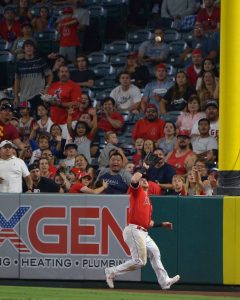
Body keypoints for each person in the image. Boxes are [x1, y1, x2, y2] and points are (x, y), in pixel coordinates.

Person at [104, 164, 180, 289]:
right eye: (142, 179)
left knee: (155, 252)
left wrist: (161, 224)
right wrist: (144, 167)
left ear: (150, 185)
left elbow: (147, 223)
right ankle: (111, 271)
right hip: (134, 230)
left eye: (146, 179)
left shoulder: (148, 201)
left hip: (143, 232)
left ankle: (165, 281)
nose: (144, 179)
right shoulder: (137, 192)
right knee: (140, 261)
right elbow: (134, 180)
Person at [14, 39, 53, 113]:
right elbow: (17, 80)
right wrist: (16, 97)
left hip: (38, 95)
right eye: (27, 46)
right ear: (24, 49)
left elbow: (50, 75)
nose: (29, 48)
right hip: (23, 97)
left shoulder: (40, 61)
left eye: (31, 46)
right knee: (24, 117)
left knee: (39, 117)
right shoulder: (19, 63)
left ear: (34, 49)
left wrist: (47, 87)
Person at [46, 65, 82, 139]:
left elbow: (76, 103)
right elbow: (48, 102)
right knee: (52, 143)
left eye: (66, 72)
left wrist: (60, 104)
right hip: (53, 121)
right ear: (58, 74)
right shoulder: (52, 86)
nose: (64, 74)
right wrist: (46, 102)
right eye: (62, 72)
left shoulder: (74, 86)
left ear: (69, 74)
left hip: (68, 122)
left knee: (66, 144)